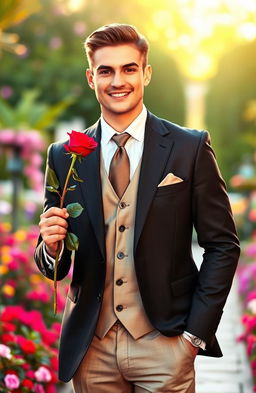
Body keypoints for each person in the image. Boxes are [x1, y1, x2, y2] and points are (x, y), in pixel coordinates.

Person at [35, 23, 240, 393]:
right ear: (90, 77)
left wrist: (194, 336)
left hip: (165, 344)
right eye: (105, 70)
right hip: (92, 348)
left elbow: (222, 244)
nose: (118, 81)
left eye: (129, 68)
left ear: (146, 72)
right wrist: (50, 247)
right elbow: (57, 263)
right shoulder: (63, 157)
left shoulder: (188, 148)